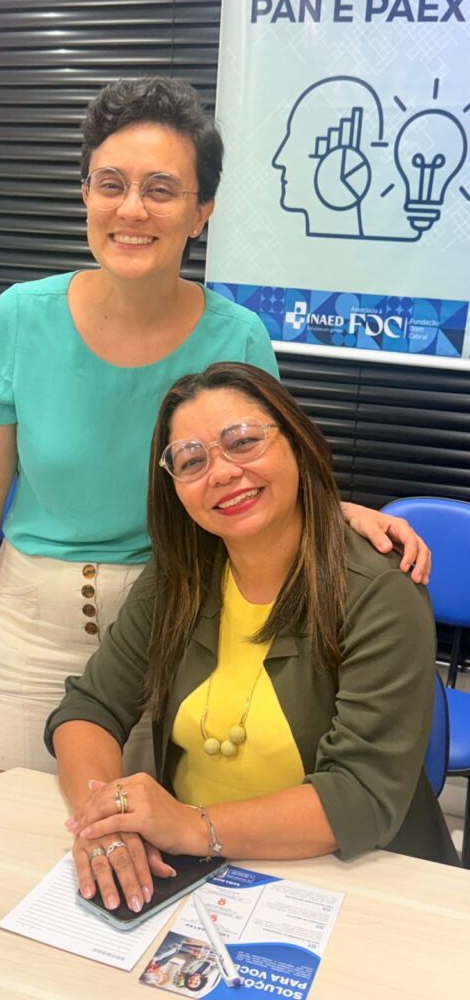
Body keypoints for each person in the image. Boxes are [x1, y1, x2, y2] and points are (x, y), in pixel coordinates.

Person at [0, 76, 430, 775]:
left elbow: (260, 469)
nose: (131, 208)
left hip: (180, 621)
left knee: (158, 829)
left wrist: (340, 509)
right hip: (27, 625)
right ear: (85, 194)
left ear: (201, 213)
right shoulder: (19, 317)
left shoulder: (239, 335)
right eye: (111, 184)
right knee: (14, 824)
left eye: (161, 190)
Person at [46, 362, 457, 918]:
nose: (220, 472)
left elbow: (360, 795)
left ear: (298, 444)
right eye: (192, 460)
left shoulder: (379, 590)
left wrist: (191, 825)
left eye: (242, 441)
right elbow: (91, 706)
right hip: (197, 875)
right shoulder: (180, 576)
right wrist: (105, 818)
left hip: (354, 879)